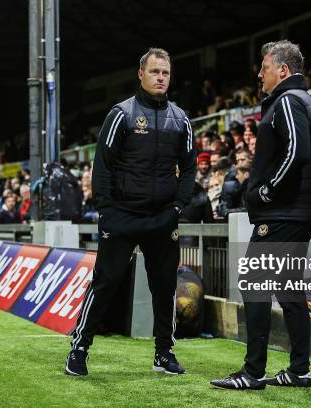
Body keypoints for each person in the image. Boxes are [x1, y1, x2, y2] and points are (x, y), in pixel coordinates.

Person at [66, 48, 196, 377]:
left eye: (165, 72)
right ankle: (79, 349)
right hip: (121, 216)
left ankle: (164, 353)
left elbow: (190, 169)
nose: (161, 78)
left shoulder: (181, 119)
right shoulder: (121, 114)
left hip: (163, 218)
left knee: (165, 286)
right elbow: (103, 166)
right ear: (141, 74)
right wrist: (106, 210)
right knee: (105, 282)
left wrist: (178, 207)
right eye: (155, 72)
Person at [211, 40, 311, 390]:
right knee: (288, 290)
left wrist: (266, 191)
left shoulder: (288, 100)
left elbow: (296, 150)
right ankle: (299, 370)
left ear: (283, 70)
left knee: (253, 282)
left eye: (265, 67)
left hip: (284, 212)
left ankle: (253, 371)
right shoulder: (299, 100)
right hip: (295, 211)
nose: (259, 74)